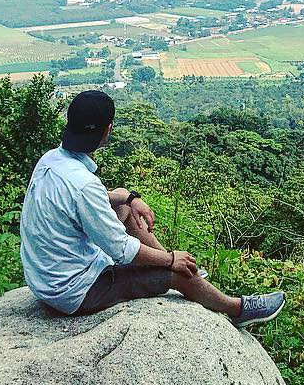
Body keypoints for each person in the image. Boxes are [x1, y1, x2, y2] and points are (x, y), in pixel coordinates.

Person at [20, 90, 284, 326]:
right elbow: (122, 250)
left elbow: (88, 200)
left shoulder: (51, 160)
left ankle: (184, 267)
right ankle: (237, 309)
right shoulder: (84, 184)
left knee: (123, 208)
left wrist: (129, 198)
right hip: (75, 290)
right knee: (173, 276)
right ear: (107, 130)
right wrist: (170, 261)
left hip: (47, 278)